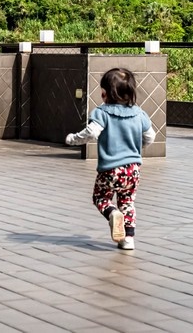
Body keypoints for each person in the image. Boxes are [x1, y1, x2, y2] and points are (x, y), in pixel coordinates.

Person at [65, 67, 156, 250]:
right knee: (128, 201)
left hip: (110, 169)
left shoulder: (102, 113)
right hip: (133, 169)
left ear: (105, 93)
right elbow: (150, 137)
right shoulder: (140, 114)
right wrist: (137, 148)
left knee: (100, 197)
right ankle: (128, 239)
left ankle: (113, 213)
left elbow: (91, 133)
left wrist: (73, 139)